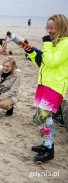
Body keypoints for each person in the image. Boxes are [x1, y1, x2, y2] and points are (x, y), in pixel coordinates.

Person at [23, 14, 68, 163]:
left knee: (42, 117)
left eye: (52, 28)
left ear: (61, 28)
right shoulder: (54, 43)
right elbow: (44, 65)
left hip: (55, 87)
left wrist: (46, 43)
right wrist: (32, 53)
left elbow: (52, 62)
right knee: (43, 119)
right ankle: (46, 144)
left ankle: (49, 150)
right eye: (47, 27)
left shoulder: (66, 44)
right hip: (44, 85)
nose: (48, 31)